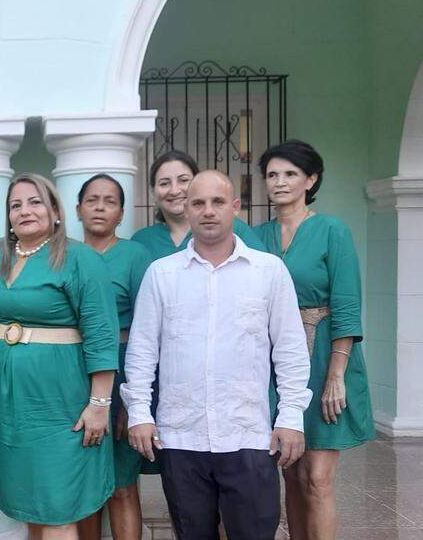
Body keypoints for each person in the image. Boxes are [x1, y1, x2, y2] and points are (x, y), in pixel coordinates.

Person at [123, 170, 312, 540]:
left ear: (235, 208)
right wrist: (139, 413)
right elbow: (143, 349)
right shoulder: (162, 274)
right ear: (187, 210)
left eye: (218, 202)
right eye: (198, 203)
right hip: (181, 437)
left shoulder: (268, 271)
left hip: (248, 435)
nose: (208, 211)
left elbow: (290, 349)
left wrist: (291, 417)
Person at [0, 173, 120, 540]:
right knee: (30, 499)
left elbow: (101, 333)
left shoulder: (81, 258)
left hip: (61, 403)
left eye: (35, 202)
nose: (25, 210)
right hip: (10, 402)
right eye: (16, 205)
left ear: (56, 210)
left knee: (58, 503)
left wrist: (99, 404)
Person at [254, 140, 374, 540]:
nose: (280, 182)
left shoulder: (331, 230)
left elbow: (346, 302)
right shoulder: (257, 236)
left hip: (325, 357)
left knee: (317, 479)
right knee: (291, 471)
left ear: (311, 179)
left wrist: (336, 375)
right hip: (275, 362)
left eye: (290, 174)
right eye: (272, 175)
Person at [74, 174, 154, 540]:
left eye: (109, 201)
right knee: (84, 485)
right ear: (77, 209)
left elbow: (148, 329)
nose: (100, 207)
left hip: (123, 370)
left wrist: (133, 400)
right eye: (92, 200)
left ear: (122, 213)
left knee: (122, 485)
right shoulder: (65, 254)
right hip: (74, 371)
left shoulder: (135, 256)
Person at [130, 150, 266, 260]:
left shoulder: (235, 228)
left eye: (183, 180)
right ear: (153, 192)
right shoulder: (142, 241)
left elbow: (261, 272)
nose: (175, 190)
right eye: (164, 183)